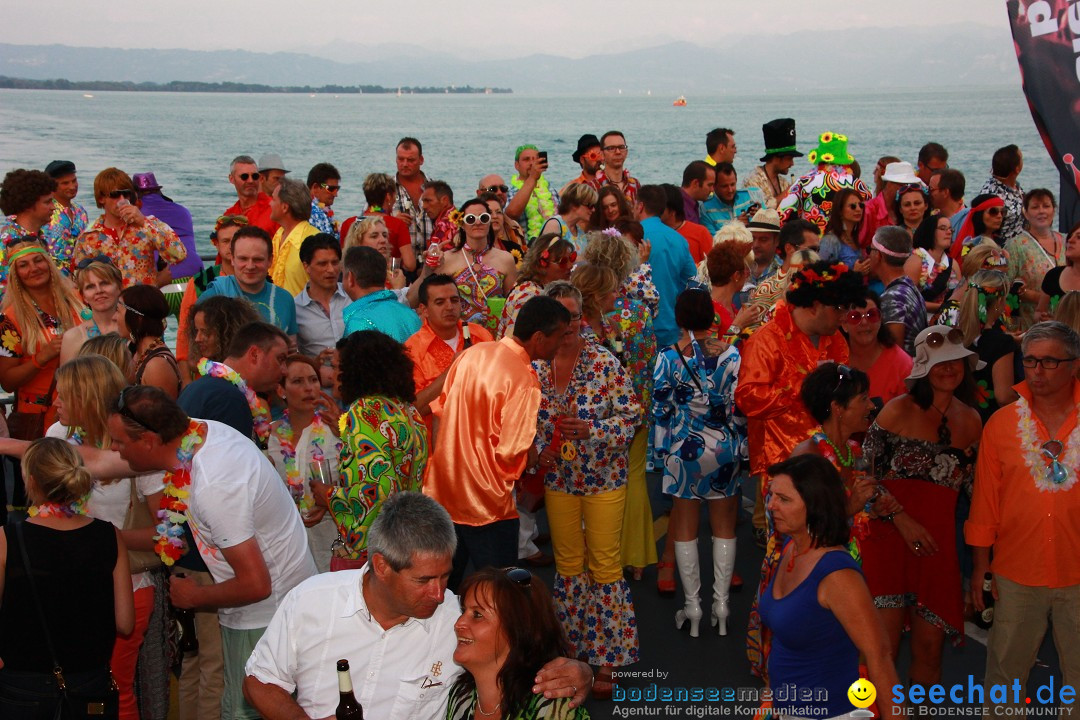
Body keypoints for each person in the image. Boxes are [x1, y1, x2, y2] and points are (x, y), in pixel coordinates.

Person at [242, 491, 593, 719]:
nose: (440, 595)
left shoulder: (458, 622)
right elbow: (260, 681)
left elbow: (520, 645)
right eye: (424, 581)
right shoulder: (310, 602)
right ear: (382, 567)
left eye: (445, 576)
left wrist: (582, 673)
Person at [107, 385, 316, 720]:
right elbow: (102, 465)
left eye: (119, 441)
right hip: (270, 608)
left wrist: (195, 596)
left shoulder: (215, 485)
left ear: (147, 441)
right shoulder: (199, 432)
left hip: (266, 617)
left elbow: (255, 584)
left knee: (241, 712)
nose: (115, 450)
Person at [736, 261, 863, 679]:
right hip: (785, 469)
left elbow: (841, 396)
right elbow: (748, 399)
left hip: (830, 461)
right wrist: (802, 388)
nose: (846, 317)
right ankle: (773, 655)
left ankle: (822, 635)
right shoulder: (766, 339)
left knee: (828, 549)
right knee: (785, 558)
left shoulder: (835, 339)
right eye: (840, 308)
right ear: (817, 305)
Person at [966, 322, 1080, 706]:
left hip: (1078, 572)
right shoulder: (1001, 426)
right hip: (1016, 573)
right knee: (1005, 674)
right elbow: (984, 504)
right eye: (1030, 361)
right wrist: (981, 567)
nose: (1038, 371)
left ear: (1074, 365)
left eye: (1050, 361)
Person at [425, 296, 571, 591]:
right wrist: (533, 458)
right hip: (488, 506)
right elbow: (512, 453)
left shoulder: (472, 353)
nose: (562, 344)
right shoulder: (525, 380)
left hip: (443, 493)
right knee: (503, 596)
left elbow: (439, 411)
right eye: (560, 336)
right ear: (539, 338)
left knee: (441, 590)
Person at [862, 325, 982, 684]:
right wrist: (902, 519)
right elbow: (861, 478)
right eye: (940, 363)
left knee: (930, 653)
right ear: (922, 368)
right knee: (878, 652)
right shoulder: (895, 411)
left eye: (956, 362)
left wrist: (981, 565)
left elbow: (978, 497)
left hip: (938, 550)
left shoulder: (973, 421)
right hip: (887, 543)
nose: (949, 369)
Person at [48, 355, 166, 720]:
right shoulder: (56, 437)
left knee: (114, 690)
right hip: (64, 587)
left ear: (87, 396)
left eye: (64, 395)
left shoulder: (135, 443)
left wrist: (100, 540)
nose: (56, 403)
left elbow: (168, 533)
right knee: (73, 689)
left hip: (126, 588)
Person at [534, 282, 640, 685]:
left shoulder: (605, 362)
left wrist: (593, 429)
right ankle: (573, 651)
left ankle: (609, 657)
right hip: (558, 480)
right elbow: (527, 420)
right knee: (568, 566)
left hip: (603, 479)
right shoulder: (537, 366)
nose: (569, 325)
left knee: (606, 566)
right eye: (560, 317)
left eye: (574, 316)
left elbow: (631, 418)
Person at [0, 437, 135, 719]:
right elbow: (125, 622)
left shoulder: (8, 539)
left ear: (31, 481)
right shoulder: (109, 535)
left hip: (23, 686)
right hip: (90, 682)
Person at [757, 455, 900, 719]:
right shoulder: (791, 549)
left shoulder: (837, 576)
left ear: (815, 506)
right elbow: (784, 638)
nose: (771, 505)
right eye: (771, 495)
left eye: (784, 499)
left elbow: (879, 655)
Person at [653, 288, 747, 638]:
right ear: (713, 316)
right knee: (724, 527)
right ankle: (721, 607)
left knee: (685, 529)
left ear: (678, 318)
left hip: (683, 450)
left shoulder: (668, 357)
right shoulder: (732, 355)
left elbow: (661, 410)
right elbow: (740, 408)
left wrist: (662, 452)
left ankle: (692, 607)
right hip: (724, 450)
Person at [574, 253, 659, 580]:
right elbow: (648, 360)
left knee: (594, 490)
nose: (617, 294)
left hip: (608, 422)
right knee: (632, 481)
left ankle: (597, 561)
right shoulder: (637, 313)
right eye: (612, 291)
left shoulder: (574, 328)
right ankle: (633, 557)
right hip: (628, 416)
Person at [315, 330, 428, 564]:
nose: (332, 374)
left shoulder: (365, 411)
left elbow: (380, 488)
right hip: (407, 538)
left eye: (336, 366)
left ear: (355, 369)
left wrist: (328, 496)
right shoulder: (407, 411)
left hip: (377, 549)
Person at [448, 566, 591, 720]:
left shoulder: (551, 709)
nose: (459, 623)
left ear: (516, 630)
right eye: (463, 611)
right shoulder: (462, 694)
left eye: (477, 615)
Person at [267, 354, 342, 574]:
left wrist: (328, 499)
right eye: (298, 381)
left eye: (313, 380)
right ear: (281, 390)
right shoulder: (268, 436)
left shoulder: (336, 431)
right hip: (286, 548)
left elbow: (356, 481)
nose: (308, 388)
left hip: (330, 544)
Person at [0, 242, 84, 434]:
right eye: (24, 265)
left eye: (39, 260)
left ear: (49, 263)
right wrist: (42, 356)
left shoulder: (77, 300)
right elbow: (7, 381)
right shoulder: (10, 319)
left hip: (87, 406)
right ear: (16, 275)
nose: (34, 268)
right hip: (41, 416)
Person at [178, 321, 290, 448]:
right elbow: (233, 465)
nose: (285, 371)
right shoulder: (228, 398)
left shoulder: (203, 387)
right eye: (280, 359)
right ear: (254, 354)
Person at [413, 198, 518, 332]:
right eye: (471, 219)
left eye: (484, 217)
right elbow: (422, 300)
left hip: (494, 334)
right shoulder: (447, 259)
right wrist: (427, 270)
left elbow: (513, 302)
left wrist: (501, 310)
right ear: (462, 224)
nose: (478, 222)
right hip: (459, 335)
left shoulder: (506, 259)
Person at [74, 168, 188, 288]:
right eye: (115, 195)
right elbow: (80, 280)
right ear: (102, 198)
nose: (122, 200)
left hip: (145, 303)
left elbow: (179, 255)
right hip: (110, 305)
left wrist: (143, 222)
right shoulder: (88, 237)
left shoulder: (148, 224)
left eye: (126, 194)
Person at [406, 274, 494, 425]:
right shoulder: (412, 350)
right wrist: (453, 371)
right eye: (440, 302)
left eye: (454, 300)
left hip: (482, 437)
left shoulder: (481, 336)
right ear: (424, 309)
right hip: (437, 443)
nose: (449, 307)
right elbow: (412, 410)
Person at [199, 226, 299, 342]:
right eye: (243, 259)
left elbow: (291, 348)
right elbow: (195, 350)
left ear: (270, 260)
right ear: (232, 259)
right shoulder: (212, 297)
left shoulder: (285, 299)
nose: (250, 266)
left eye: (257, 260)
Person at [176, 215, 244, 381]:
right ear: (216, 244)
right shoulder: (200, 282)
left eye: (235, 241)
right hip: (206, 372)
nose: (231, 246)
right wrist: (186, 380)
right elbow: (184, 333)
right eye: (225, 241)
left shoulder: (257, 280)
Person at [954, 270, 1019, 420]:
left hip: (959, 420)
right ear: (999, 302)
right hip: (989, 424)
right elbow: (1004, 397)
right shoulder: (1001, 344)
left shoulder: (956, 334)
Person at [778, 131, 873, 234]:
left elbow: (783, 214)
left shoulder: (805, 182)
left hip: (812, 243)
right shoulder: (858, 184)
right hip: (847, 242)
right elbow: (870, 213)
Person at [637, 185, 697, 346]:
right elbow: (692, 280)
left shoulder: (633, 236)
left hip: (637, 326)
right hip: (670, 324)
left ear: (640, 206)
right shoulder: (678, 240)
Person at [841, 292, 914, 407]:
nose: (864, 323)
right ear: (844, 324)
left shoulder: (903, 365)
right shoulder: (831, 356)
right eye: (855, 317)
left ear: (881, 319)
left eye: (872, 315)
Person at [1006, 188, 1064, 329]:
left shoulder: (1066, 241)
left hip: (1066, 322)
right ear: (1026, 212)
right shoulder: (1016, 245)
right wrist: (1029, 295)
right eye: (1035, 207)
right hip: (1031, 324)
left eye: (1046, 206)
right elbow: (1006, 287)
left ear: (1054, 210)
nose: (1041, 211)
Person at [132, 171, 202, 282]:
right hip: (195, 273)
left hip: (163, 277)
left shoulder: (136, 215)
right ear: (158, 190)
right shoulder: (183, 211)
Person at [342, 246, 421, 342]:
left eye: (343, 274)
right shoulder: (410, 314)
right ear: (384, 277)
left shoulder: (358, 322)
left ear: (350, 278)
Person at [293, 233, 349, 364]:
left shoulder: (352, 296)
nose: (330, 270)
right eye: (322, 264)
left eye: (335, 263)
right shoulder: (296, 308)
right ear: (306, 266)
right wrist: (315, 363)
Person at [872, 226, 927, 355]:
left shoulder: (893, 297)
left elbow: (894, 354)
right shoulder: (908, 286)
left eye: (870, 250)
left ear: (878, 255)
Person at [60, 258, 122, 365]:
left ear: (120, 287)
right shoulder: (73, 337)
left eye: (104, 283)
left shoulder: (135, 329)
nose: (99, 291)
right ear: (83, 296)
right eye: (90, 287)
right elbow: (66, 381)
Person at [0, 169, 56, 279]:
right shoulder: (9, 243)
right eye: (47, 202)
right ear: (28, 204)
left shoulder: (41, 235)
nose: (53, 207)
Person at [268, 178, 319, 295]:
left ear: (285, 207)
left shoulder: (314, 240)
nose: (269, 203)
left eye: (273, 199)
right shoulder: (278, 234)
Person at [41, 160, 89, 273]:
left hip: (79, 275)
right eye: (65, 183)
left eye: (74, 181)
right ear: (52, 186)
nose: (72, 186)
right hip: (52, 276)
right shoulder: (43, 210)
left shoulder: (80, 211)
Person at [743, 118, 802, 210]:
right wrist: (788, 192)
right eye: (789, 158)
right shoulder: (752, 181)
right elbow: (759, 211)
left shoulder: (783, 182)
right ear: (776, 158)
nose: (792, 163)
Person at [507, 143, 560, 243]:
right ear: (516, 165)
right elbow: (511, 215)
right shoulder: (510, 193)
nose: (532, 163)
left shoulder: (551, 191)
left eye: (535, 159)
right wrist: (532, 177)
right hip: (526, 250)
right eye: (526, 159)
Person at [859, 161, 918, 247]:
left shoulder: (906, 209)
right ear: (889, 184)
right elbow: (860, 245)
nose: (907, 190)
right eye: (903, 185)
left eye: (910, 186)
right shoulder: (869, 210)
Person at [392, 137, 434, 254]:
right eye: (401, 159)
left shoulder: (435, 189)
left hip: (432, 263)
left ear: (421, 160)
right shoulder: (385, 189)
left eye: (410, 160)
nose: (405, 164)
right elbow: (367, 222)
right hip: (399, 264)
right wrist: (391, 222)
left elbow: (450, 220)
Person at [700, 163, 765, 235]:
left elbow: (770, 226)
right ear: (714, 186)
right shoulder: (705, 209)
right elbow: (712, 242)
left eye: (732, 184)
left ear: (736, 181)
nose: (730, 190)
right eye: (724, 186)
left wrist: (761, 217)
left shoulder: (753, 195)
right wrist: (735, 226)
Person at [978, 144, 1025, 243]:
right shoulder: (992, 194)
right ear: (1016, 169)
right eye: (1021, 159)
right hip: (1002, 249)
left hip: (1021, 244)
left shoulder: (1014, 186)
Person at [223, 155, 280, 236]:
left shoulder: (275, 210)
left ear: (260, 178)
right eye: (244, 176)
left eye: (254, 176)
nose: (250, 181)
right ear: (231, 179)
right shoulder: (229, 215)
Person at [911, 214, 956, 312]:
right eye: (943, 228)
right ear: (930, 231)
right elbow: (908, 300)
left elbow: (958, 295)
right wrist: (943, 307)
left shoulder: (953, 263)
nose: (949, 232)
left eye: (950, 229)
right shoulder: (915, 260)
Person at [540, 183, 598, 254]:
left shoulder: (580, 232)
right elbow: (546, 258)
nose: (593, 210)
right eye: (590, 205)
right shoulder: (554, 224)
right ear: (574, 205)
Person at [588, 131, 641, 204]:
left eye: (621, 147)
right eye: (611, 148)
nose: (618, 152)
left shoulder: (635, 184)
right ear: (602, 154)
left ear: (626, 152)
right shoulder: (592, 188)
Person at [818, 187, 866, 269]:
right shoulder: (830, 241)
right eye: (853, 206)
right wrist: (854, 273)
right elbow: (822, 274)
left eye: (861, 205)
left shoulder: (856, 236)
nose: (858, 209)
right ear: (840, 210)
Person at [1039, 221, 1080, 315]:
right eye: (1070, 236)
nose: (1070, 240)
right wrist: (1045, 320)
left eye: (1079, 237)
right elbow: (1039, 312)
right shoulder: (1053, 275)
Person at [951, 193, 1007, 257]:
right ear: (979, 214)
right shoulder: (969, 245)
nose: (999, 216)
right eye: (993, 211)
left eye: (1003, 212)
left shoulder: (1003, 243)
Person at [305, 162, 341, 240]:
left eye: (337, 189)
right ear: (315, 188)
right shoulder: (311, 212)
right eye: (331, 189)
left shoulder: (325, 210)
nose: (336, 194)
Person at [421, 180, 458, 250]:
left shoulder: (445, 225)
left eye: (428, 201)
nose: (424, 206)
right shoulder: (458, 217)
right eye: (423, 201)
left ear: (445, 200)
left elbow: (441, 258)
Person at [680, 160, 715, 225]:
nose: (712, 190)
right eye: (709, 185)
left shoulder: (692, 204)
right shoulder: (679, 207)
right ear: (695, 183)